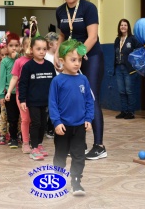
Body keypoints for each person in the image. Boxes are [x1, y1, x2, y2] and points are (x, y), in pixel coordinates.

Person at [43, 0, 106, 160]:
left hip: (91, 55)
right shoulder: (60, 11)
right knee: (71, 96)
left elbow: (93, 36)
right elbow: (63, 34)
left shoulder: (88, 8)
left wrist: (78, 54)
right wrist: (57, 54)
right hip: (71, 56)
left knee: (90, 96)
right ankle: (79, 142)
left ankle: (99, 146)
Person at [49, 39, 94, 196]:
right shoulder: (57, 81)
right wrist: (56, 122)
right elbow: (53, 104)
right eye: (73, 59)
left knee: (79, 156)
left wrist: (88, 119)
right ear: (62, 61)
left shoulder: (83, 80)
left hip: (80, 126)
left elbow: (89, 101)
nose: (77, 63)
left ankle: (76, 182)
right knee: (60, 155)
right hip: (62, 127)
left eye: (79, 60)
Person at [19, 36, 56, 160]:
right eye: (38, 49)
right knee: (36, 123)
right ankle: (33, 147)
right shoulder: (28, 66)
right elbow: (22, 84)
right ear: (32, 49)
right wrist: (22, 100)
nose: (41, 51)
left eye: (44, 49)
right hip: (33, 102)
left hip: (46, 101)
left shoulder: (50, 66)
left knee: (43, 125)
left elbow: (54, 84)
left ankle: (39, 144)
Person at [5, 37, 33, 154]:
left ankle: (35, 141)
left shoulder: (38, 61)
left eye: (33, 47)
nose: (30, 50)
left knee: (35, 120)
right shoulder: (19, 61)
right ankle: (26, 142)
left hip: (36, 96)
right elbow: (14, 77)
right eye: (28, 46)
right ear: (23, 48)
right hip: (21, 95)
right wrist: (8, 92)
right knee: (25, 119)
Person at [114, 19, 143, 120]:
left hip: (128, 68)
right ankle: (124, 111)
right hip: (118, 67)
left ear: (128, 27)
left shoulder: (132, 38)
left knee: (129, 91)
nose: (123, 27)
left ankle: (131, 112)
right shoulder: (117, 40)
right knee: (121, 91)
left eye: (125, 25)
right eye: (121, 25)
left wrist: (135, 62)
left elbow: (140, 49)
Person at [0, 32, 21, 148]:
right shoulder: (5, 62)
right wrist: (1, 95)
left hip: (21, 93)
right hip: (10, 94)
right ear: (7, 47)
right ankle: (13, 138)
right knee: (12, 117)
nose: (14, 48)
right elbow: (1, 79)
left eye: (16, 45)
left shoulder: (22, 60)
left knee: (21, 118)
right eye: (11, 46)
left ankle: (20, 135)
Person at [44, 32, 60, 139]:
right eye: (57, 43)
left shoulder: (59, 56)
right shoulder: (45, 56)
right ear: (50, 44)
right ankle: (49, 128)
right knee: (49, 108)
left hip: (59, 85)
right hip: (49, 85)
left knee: (57, 107)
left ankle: (55, 127)